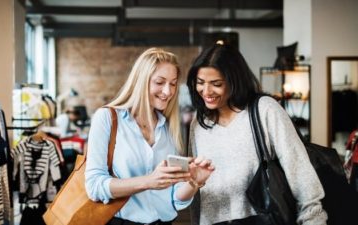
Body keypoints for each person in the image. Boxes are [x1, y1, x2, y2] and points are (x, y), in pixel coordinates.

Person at [186, 41, 327, 225]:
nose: (206, 91)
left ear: (234, 81)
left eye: (216, 84)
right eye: (200, 83)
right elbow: (196, 186)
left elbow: (300, 171)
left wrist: (313, 220)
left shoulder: (264, 110)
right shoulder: (199, 122)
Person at [85, 47, 215, 225]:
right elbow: (94, 186)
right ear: (141, 81)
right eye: (160, 82)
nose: (168, 91)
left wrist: (194, 183)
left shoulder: (170, 127)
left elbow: (174, 198)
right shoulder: (107, 118)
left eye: (173, 83)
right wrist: (149, 181)